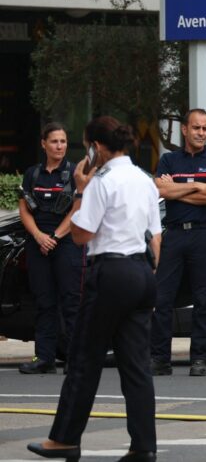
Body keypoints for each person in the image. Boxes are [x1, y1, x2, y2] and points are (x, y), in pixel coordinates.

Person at [27, 116, 162, 462]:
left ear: (96, 147)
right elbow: (156, 235)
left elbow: (81, 234)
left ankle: (65, 439)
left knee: (83, 359)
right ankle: (143, 446)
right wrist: (150, 275)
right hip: (141, 270)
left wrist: (81, 189)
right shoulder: (144, 179)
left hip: (111, 271)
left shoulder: (102, 181)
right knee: (136, 365)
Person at [150, 108, 206, 377]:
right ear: (185, 130)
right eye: (196, 128)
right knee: (162, 298)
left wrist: (178, 190)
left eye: (205, 128)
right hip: (173, 235)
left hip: (202, 235)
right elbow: (160, 190)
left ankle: (200, 359)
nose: (202, 133)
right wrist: (197, 186)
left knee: (202, 298)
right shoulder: (169, 160)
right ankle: (160, 358)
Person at [18, 122, 84, 374]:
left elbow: (78, 209)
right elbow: (24, 208)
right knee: (44, 302)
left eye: (63, 141)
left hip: (66, 243)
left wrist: (54, 237)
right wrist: (38, 236)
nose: (60, 146)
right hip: (38, 245)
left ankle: (74, 359)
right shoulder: (32, 174)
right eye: (54, 141)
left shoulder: (75, 172)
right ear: (43, 144)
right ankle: (44, 358)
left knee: (71, 302)